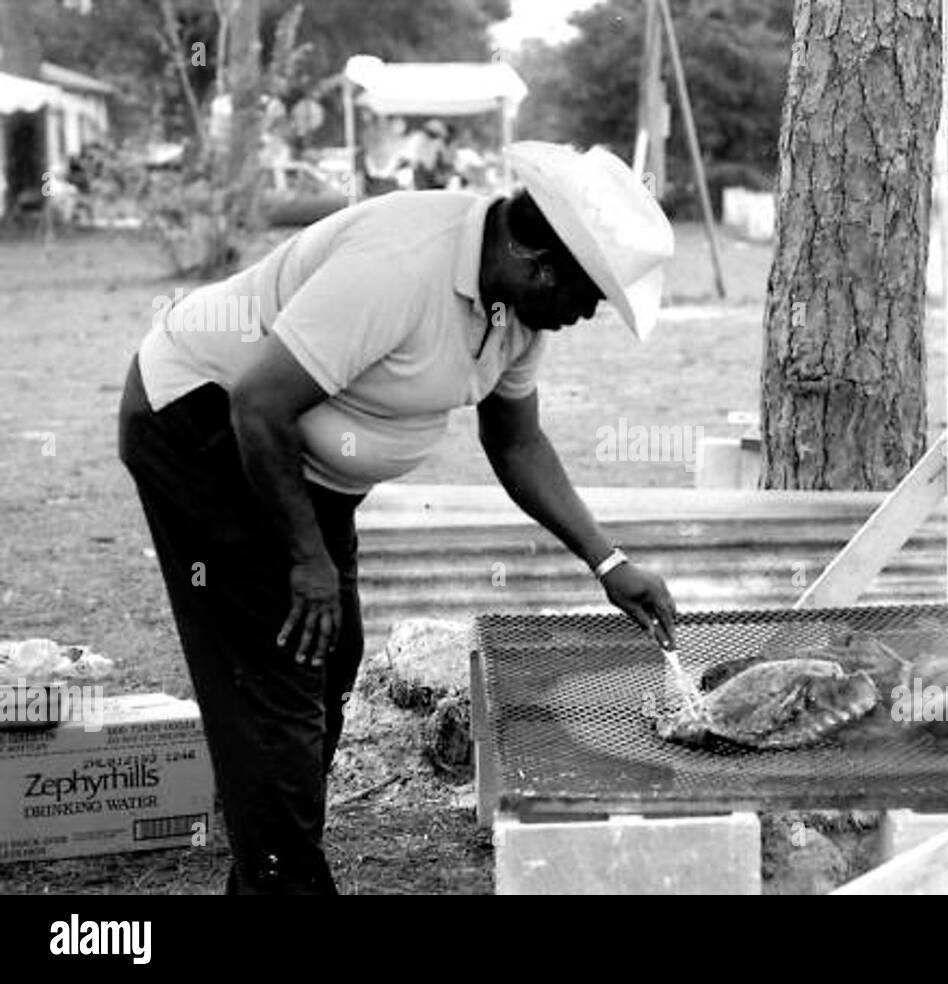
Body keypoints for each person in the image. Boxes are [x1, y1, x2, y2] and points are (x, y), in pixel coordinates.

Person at [118, 141, 679, 894]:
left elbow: (517, 443)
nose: (586, 315)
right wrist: (306, 559)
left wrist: (609, 564)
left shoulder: (517, 314)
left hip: (297, 462)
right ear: (537, 258)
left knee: (328, 661)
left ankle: (267, 853)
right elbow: (259, 403)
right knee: (276, 675)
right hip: (207, 426)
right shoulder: (400, 265)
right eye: (589, 294)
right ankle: (283, 879)